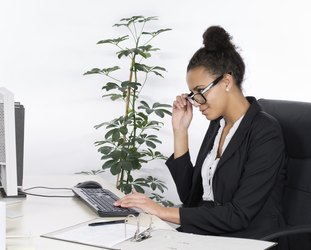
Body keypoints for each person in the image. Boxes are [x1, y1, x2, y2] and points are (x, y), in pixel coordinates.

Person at [114, 25, 286, 239]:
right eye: (193, 94)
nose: (196, 102)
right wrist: (180, 131)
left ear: (226, 81)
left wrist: (161, 210)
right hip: (209, 233)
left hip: (249, 239)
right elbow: (190, 197)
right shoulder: (218, 125)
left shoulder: (265, 132)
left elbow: (238, 215)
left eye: (200, 92)